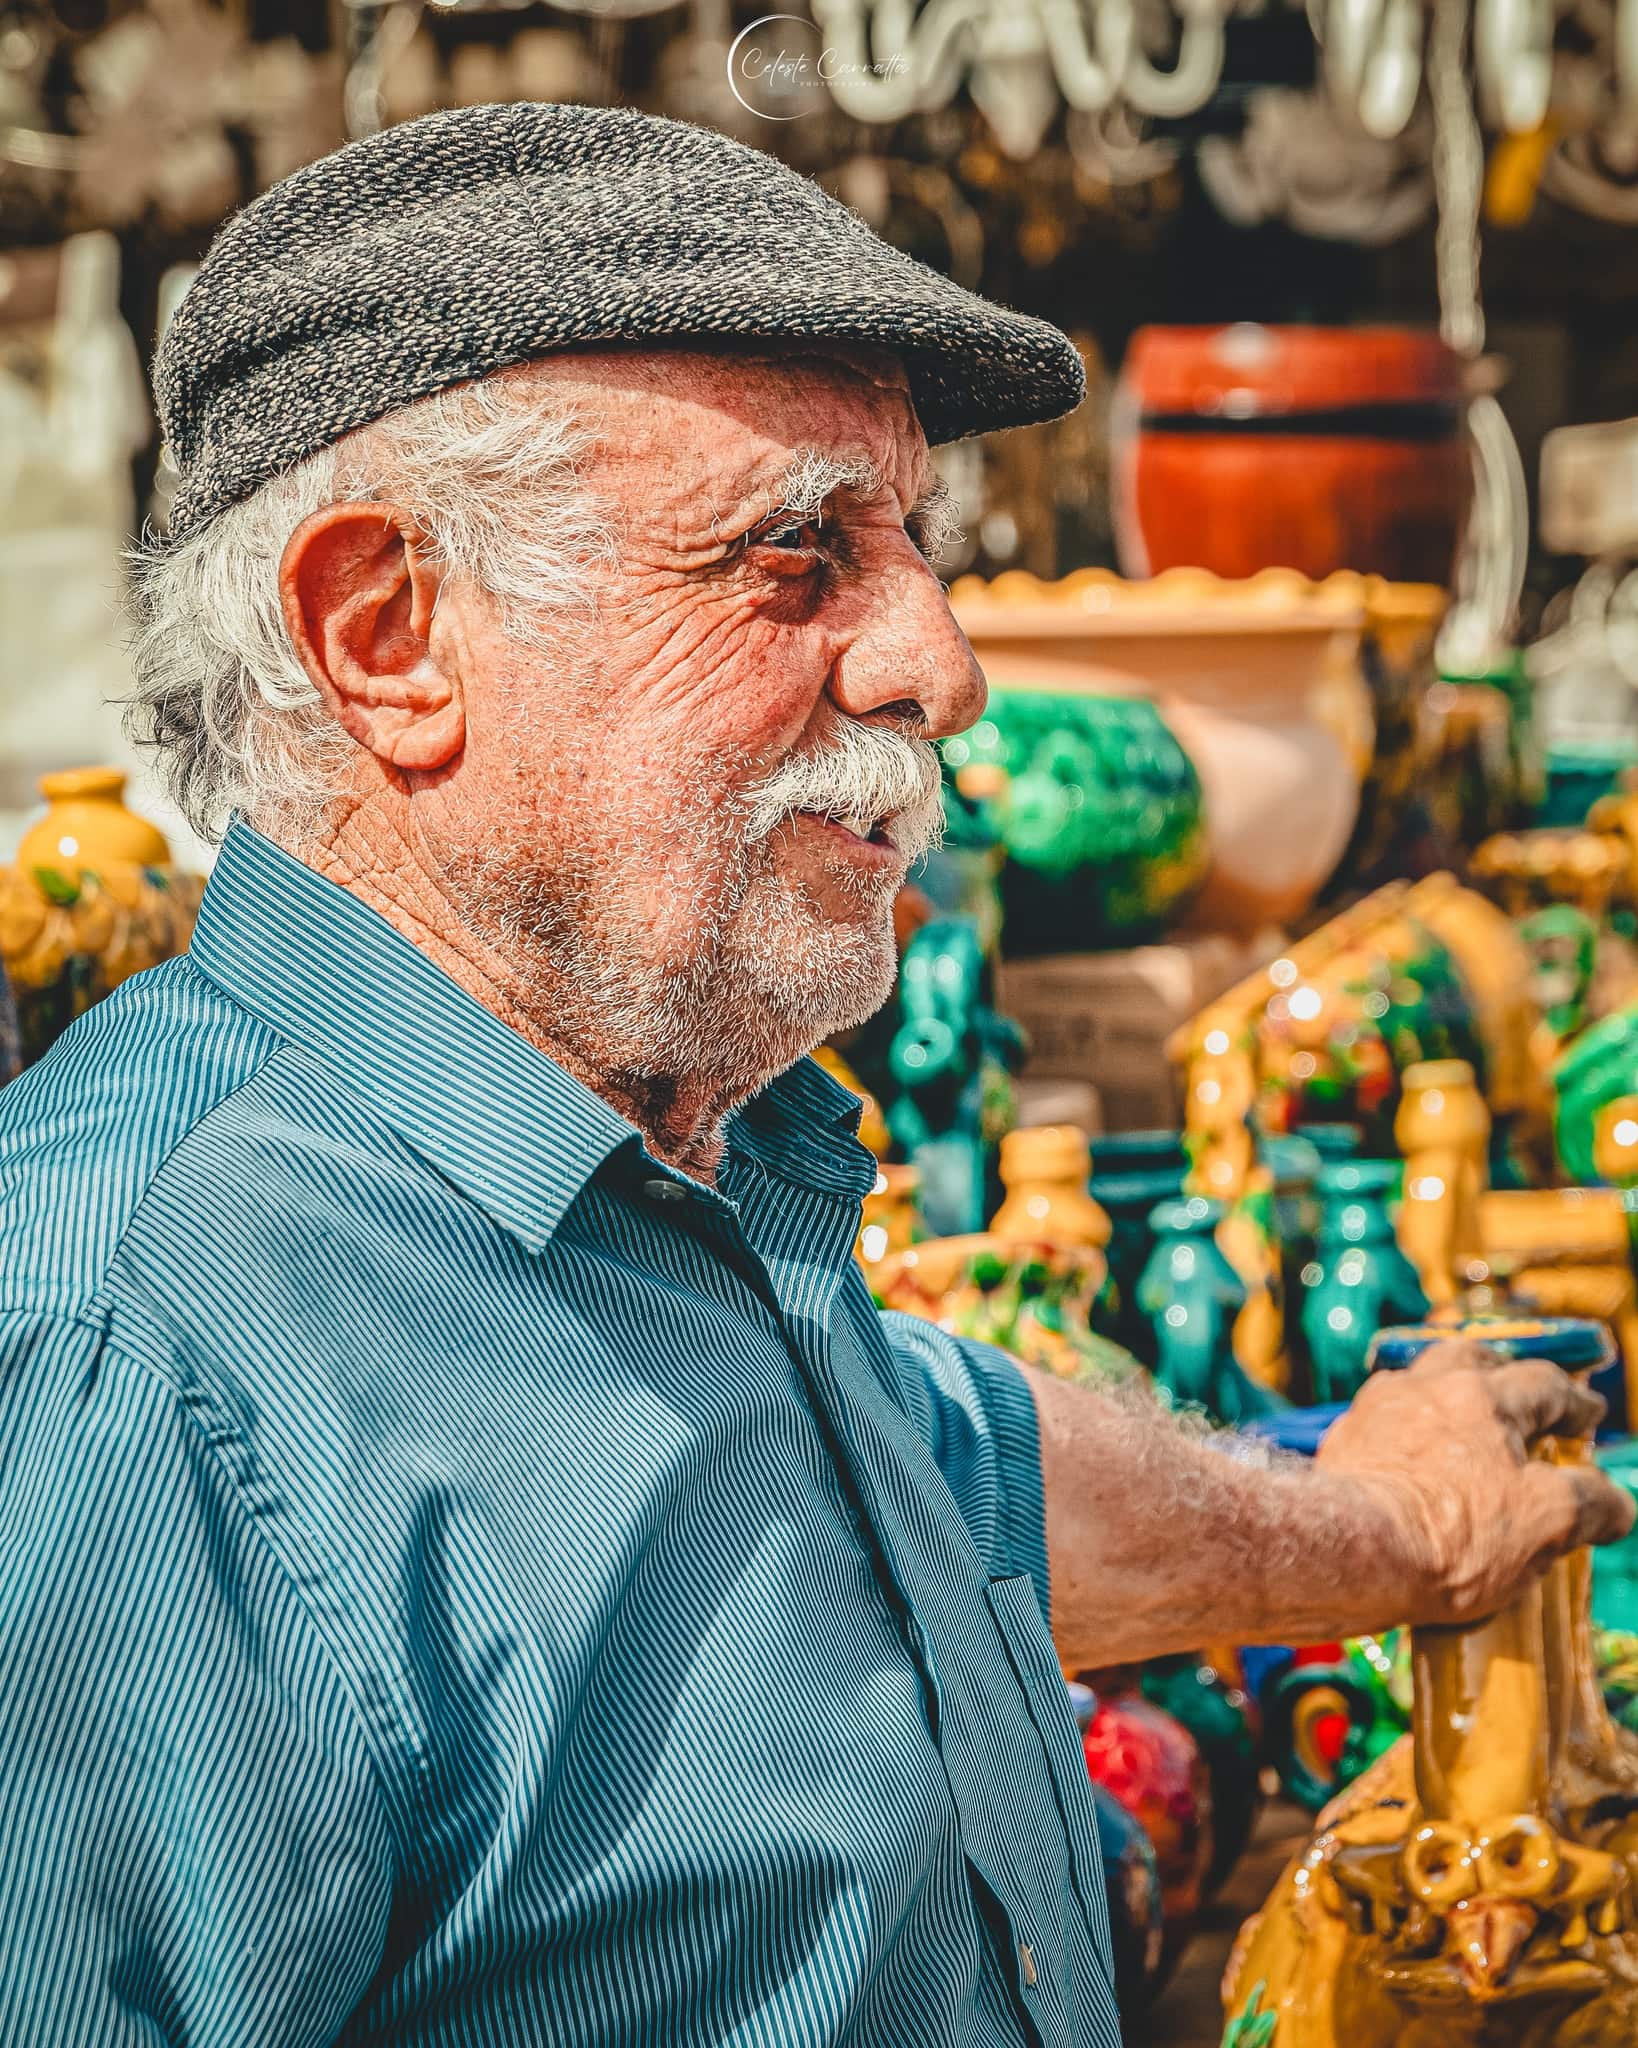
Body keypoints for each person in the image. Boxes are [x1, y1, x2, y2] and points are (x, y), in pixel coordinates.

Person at [0, 101, 1629, 2048]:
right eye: (801, 557)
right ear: (391, 635)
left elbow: (947, 1472)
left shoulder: (648, 1138)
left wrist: (1388, 1528)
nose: (940, 662)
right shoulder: (132, 1372)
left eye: (916, 542)